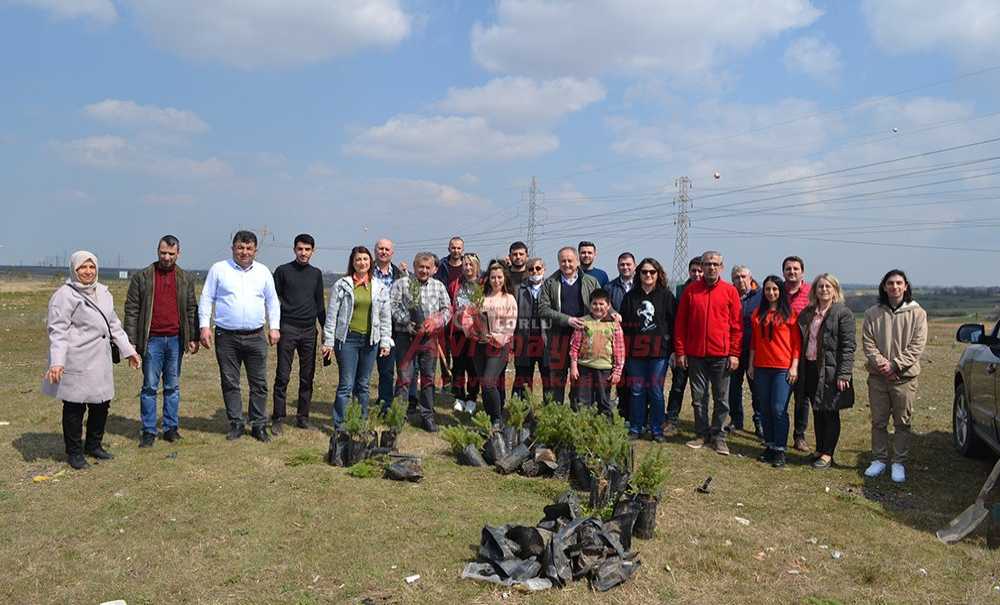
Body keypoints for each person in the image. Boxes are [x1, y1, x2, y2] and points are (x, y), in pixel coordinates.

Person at [44, 251, 142, 469]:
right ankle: (74, 453)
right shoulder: (64, 295)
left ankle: (93, 445)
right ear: (74, 269)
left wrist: (129, 351)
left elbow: (114, 325)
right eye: (83, 267)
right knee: (74, 406)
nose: (88, 272)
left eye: (91, 267)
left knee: (101, 404)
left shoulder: (104, 293)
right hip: (77, 359)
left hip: (100, 359)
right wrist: (57, 362)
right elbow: (58, 331)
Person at [198, 231, 281, 442]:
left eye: (249, 248)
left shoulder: (263, 272)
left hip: (256, 336)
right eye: (240, 248)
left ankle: (258, 425)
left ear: (255, 250)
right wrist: (204, 326)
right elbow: (207, 298)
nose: (244, 252)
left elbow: (272, 301)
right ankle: (236, 423)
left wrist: (274, 327)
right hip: (226, 337)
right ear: (233, 248)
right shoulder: (219, 269)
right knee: (230, 382)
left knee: (259, 383)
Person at [124, 235, 199, 448]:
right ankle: (148, 430)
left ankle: (170, 428)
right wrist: (130, 343)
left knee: (172, 386)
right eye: (163, 253)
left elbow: (191, 308)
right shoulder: (142, 277)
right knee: (149, 386)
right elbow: (132, 310)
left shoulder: (185, 278)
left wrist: (193, 337)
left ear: (178, 254)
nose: (166, 257)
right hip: (151, 340)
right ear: (157, 251)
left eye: (171, 254)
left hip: (176, 340)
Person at [862, 269, 927, 483]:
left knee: (902, 422)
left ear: (905, 286)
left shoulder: (918, 313)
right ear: (884, 286)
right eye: (890, 283)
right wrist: (883, 365)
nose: (895, 287)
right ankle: (879, 459)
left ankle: (898, 462)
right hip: (878, 378)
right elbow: (868, 343)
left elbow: (917, 346)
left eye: (899, 283)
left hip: (904, 378)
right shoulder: (872, 313)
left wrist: (895, 366)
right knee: (878, 421)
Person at [675, 250, 742, 456]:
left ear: (721, 267)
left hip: (721, 355)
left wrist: (734, 353)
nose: (711, 267)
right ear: (702, 267)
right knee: (698, 398)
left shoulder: (730, 291)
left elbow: (736, 326)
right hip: (695, 354)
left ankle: (719, 436)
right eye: (707, 264)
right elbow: (680, 324)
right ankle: (701, 434)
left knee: (721, 399)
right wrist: (681, 352)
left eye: (715, 264)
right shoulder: (691, 291)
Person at [321, 246, 392, 428]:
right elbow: (332, 315)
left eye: (365, 259)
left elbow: (385, 317)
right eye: (358, 259)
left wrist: (385, 341)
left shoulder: (379, 287)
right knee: (346, 384)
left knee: (363, 384)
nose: (362, 262)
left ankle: (360, 423)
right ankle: (340, 425)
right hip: (347, 340)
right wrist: (328, 341)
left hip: (370, 341)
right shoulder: (342, 285)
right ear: (352, 263)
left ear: (370, 262)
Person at [796, 273, 855, 470]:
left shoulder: (843, 313)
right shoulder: (808, 312)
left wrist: (844, 374)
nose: (824, 290)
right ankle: (819, 449)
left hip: (831, 371)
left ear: (835, 290)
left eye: (828, 286)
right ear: (814, 290)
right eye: (820, 286)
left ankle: (828, 454)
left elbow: (848, 347)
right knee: (817, 411)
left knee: (830, 412)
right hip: (810, 368)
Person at [390, 252, 453, 432]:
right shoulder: (401, 284)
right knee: (404, 377)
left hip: (429, 338)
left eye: (427, 268)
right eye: (421, 267)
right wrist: (407, 322)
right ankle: (398, 416)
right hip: (406, 336)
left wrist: (436, 322)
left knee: (428, 378)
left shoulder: (438, 286)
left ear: (433, 269)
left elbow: (447, 310)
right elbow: (393, 305)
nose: (424, 271)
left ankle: (427, 416)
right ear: (414, 267)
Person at [271, 234, 326, 433]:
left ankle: (303, 417)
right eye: (300, 249)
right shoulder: (282, 271)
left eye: (307, 249)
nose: (303, 253)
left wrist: (325, 330)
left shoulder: (316, 274)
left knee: (307, 376)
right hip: (287, 328)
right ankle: (278, 417)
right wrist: (274, 326)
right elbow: (272, 300)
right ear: (294, 249)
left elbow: (320, 303)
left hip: (309, 331)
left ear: (313, 251)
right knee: (282, 375)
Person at [749, 275, 801, 468]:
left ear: (780, 291)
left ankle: (780, 449)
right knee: (764, 408)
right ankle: (769, 445)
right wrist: (751, 365)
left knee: (778, 409)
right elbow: (754, 342)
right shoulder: (757, 313)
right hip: (761, 368)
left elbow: (796, 344)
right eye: (768, 289)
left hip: (782, 368)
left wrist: (794, 366)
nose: (771, 293)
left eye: (775, 289)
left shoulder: (790, 314)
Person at [620, 258, 675, 441]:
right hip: (635, 353)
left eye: (652, 272)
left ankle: (657, 430)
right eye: (644, 272)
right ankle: (636, 428)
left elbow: (673, 324)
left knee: (656, 390)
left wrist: (673, 349)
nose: (648, 275)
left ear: (658, 274)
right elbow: (624, 326)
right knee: (636, 390)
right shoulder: (630, 297)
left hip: (659, 353)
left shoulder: (666, 296)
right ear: (639, 274)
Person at [539, 247, 600, 404]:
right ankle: (555, 412)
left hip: (583, 339)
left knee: (579, 380)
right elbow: (543, 309)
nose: (566, 264)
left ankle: (577, 414)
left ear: (577, 261)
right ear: (558, 262)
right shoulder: (550, 283)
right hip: (558, 338)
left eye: (570, 260)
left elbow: (602, 303)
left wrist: (613, 313)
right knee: (557, 381)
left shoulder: (590, 282)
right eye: (563, 261)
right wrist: (567, 320)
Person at [461, 262, 518, 423]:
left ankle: (497, 419)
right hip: (479, 345)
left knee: (488, 382)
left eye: (499, 277)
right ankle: (487, 418)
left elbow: (510, 325)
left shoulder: (509, 299)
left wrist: (495, 336)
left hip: (498, 346)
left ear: (505, 278)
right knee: (484, 383)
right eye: (493, 277)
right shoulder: (481, 298)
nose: (496, 280)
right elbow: (467, 316)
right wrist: (472, 331)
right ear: (488, 279)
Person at [664, 256, 703, 436]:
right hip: (682, 347)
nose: (697, 274)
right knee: (678, 385)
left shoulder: (709, 290)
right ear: (689, 271)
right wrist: (675, 350)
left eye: (700, 271)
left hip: (702, 349)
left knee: (701, 390)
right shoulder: (680, 290)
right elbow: (675, 321)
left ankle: (702, 423)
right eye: (694, 270)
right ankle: (672, 418)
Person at [569, 289, 625, 415]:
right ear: (589, 305)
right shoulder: (582, 322)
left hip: (605, 369)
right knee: (583, 402)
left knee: (603, 401)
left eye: (601, 304)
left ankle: (604, 425)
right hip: (584, 367)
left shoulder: (614, 324)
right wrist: (573, 366)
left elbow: (619, 350)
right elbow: (574, 347)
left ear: (608, 306)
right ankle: (583, 425)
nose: (598, 307)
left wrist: (617, 371)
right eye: (594, 304)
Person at [372, 238, 407, 412]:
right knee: (363, 370)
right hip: (369, 324)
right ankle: (357, 406)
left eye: (387, 249)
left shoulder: (399, 274)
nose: (383, 252)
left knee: (387, 369)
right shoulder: (366, 270)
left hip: (392, 327)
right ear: (375, 251)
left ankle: (385, 404)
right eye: (380, 248)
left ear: (392, 253)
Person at [783, 255, 812, 452]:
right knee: (780, 397)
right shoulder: (778, 291)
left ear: (802, 271)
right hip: (781, 351)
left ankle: (799, 435)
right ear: (783, 272)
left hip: (805, 353)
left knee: (802, 397)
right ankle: (777, 433)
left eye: (795, 269)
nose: (792, 272)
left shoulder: (811, 292)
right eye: (788, 269)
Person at [729, 264, 762, 436]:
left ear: (750, 278)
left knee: (757, 389)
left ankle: (760, 422)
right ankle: (736, 420)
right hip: (733, 349)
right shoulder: (729, 294)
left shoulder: (761, 296)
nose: (740, 280)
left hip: (754, 350)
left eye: (743, 276)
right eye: (737, 277)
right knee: (733, 388)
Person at [511, 257, 549, 401]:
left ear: (544, 269)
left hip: (546, 340)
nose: (535, 272)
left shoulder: (550, 287)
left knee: (548, 377)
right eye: (531, 269)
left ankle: (549, 409)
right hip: (524, 340)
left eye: (538, 268)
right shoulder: (518, 289)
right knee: (523, 377)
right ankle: (524, 410)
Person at [450, 253, 483, 413]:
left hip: (475, 333)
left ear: (477, 266)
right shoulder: (456, 284)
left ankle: (472, 397)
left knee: (473, 367)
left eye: (471, 264)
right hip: (458, 331)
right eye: (465, 264)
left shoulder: (483, 285)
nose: (468, 267)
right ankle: (459, 396)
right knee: (458, 365)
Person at [605, 252, 636, 417]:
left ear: (634, 266)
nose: (625, 267)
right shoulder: (610, 287)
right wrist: (612, 312)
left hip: (638, 338)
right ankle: (622, 412)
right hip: (616, 339)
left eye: (628, 264)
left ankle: (637, 414)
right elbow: (604, 305)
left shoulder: (641, 284)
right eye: (622, 264)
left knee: (636, 378)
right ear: (618, 266)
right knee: (620, 377)